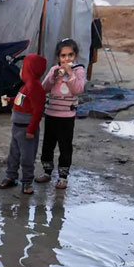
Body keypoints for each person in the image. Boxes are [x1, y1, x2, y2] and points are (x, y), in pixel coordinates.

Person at [37, 39, 86, 189]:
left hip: (67, 116)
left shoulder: (78, 71)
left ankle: (63, 177)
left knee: (65, 146)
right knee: (48, 145)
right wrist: (53, 76)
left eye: (70, 55)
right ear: (58, 57)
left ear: (75, 55)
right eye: (63, 56)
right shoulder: (54, 70)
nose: (67, 59)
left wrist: (70, 74)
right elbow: (43, 88)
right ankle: (47, 171)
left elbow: (78, 89)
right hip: (51, 113)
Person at [0, 54, 46, 194]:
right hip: (17, 127)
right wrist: (10, 100)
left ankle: (27, 182)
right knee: (13, 154)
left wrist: (31, 129)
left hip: (26, 130)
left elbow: (38, 111)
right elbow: (21, 102)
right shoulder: (25, 87)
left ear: (29, 70)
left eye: (23, 67)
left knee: (27, 157)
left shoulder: (35, 88)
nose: (20, 70)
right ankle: (11, 177)